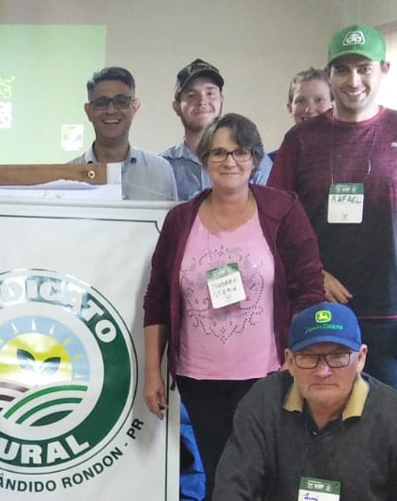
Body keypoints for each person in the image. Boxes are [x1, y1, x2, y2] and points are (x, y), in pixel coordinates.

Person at [143, 113, 325, 489]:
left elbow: (309, 290)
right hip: (199, 376)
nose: (230, 162)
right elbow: (157, 298)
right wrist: (151, 373)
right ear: (204, 159)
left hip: (270, 373)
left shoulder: (283, 211)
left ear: (255, 159)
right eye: (219, 153)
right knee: (218, 475)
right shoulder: (180, 220)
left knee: (268, 474)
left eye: (240, 153)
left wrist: (304, 361)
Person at [268, 24, 397, 391]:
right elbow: (276, 222)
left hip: (388, 312)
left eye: (363, 68)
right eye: (342, 69)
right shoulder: (300, 140)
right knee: (318, 415)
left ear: (384, 69)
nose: (353, 80)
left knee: (381, 420)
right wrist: (313, 272)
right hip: (317, 304)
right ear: (329, 73)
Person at [214, 302, 397, 500]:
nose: (323, 371)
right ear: (290, 361)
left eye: (338, 357)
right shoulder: (263, 402)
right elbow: (232, 488)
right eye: (308, 357)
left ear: (361, 358)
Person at [161, 59, 275, 199]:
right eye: (191, 95)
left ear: (221, 100)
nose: (202, 101)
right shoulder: (163, 167)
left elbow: (270, 213)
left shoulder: (256, 160)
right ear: (177, 107)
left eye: (210, 93)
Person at [68, 66, 177, 201]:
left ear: (135, 107)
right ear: (88, 111)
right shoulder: (68, 176)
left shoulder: (161, 172)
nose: (111, 110)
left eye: (121, 101)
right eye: (101, 103)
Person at [269, 68, 333, 162]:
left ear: (334, 106)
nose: (309, 110)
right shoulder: (271, 163)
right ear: (290, 108)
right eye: (301, 101)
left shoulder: (348, 160)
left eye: (319, 100)